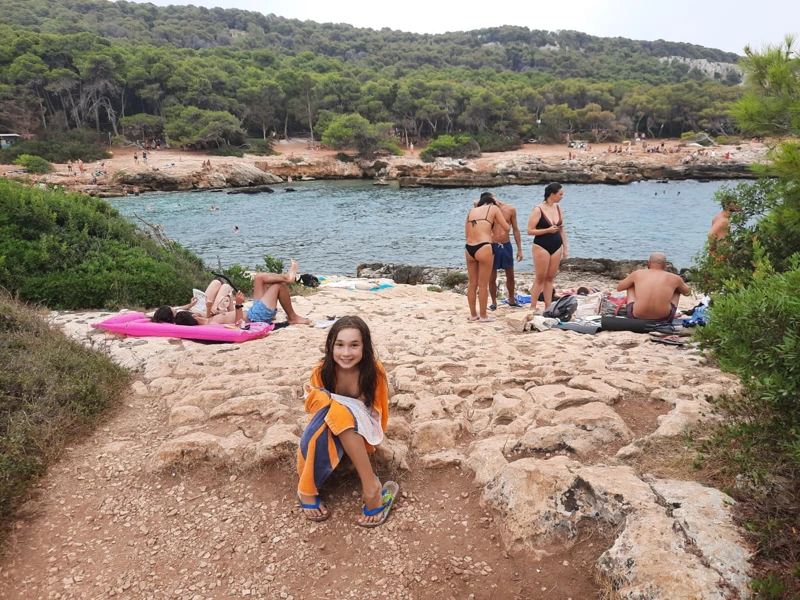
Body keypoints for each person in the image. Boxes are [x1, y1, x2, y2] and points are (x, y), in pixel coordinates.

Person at [296, 316, 398, 527]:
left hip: (364, 427)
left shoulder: (374, 371)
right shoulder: (322, 371)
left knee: (339, 411)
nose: (346, 353)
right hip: (330, 424)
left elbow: (380, 411)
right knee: (332, 414)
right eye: (339, 345)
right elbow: (318, 409)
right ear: (331, 346)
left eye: (354, 345)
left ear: (364, 347)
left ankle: (367, 486)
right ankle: (371, 486)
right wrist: (337, 408)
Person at [465, 192, 510, 322]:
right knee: (483, 284)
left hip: (469, 248)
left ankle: (474, 314)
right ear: (491, 202)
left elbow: (466, 233)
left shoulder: (471, 211)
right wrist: (495, 223)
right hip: (484, 246)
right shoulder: (494, 208)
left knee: (472, 283)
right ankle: (483, 316)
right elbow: (507, 227)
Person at [475, 195, 523, 310]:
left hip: (506, 245)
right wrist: (476, 205)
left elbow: (515, 229)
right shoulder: (486, 211)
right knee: (492, 277)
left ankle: (512, 299)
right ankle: (494, 302)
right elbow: (477, 223)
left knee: (510, 274)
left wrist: (519, 249)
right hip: (492, 245)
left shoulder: (510, 209)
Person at [528, 182, 568, 314]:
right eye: (560, 194)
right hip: (541, 245)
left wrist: (565, 249)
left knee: (550, 277)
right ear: (552, 194)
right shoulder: (538, 209)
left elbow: (561, 229)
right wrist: (547, 230)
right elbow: (530, 230)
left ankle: (548, 306)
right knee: (540, 277)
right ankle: (533, 307)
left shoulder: (558, 208)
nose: (562, 196)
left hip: (556, 245)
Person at [616, 252, 691, 322]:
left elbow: (619, 288)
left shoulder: (637, 274)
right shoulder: (675, 278)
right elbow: (688, 293)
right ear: (665, 265)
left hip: (636, 316)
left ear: (649, 263)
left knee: (630, 285)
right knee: (677, 289)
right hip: (664, 318)